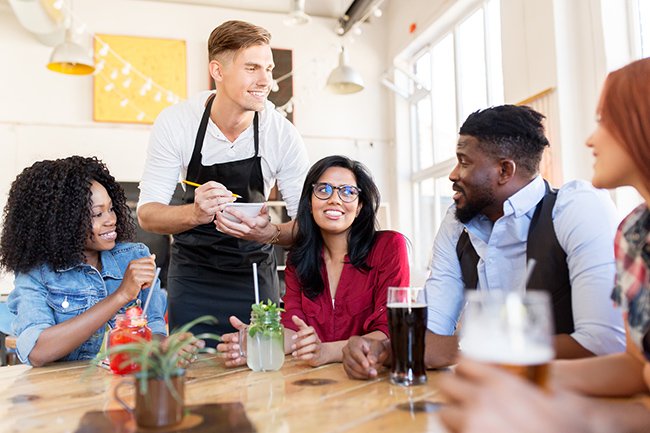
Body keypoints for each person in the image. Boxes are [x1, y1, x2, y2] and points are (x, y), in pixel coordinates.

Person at [437, 57, 650, 433]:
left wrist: (583, 419)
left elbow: (604, 344)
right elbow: (637, 366)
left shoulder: (577, 208)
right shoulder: (635, 232)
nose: (590, 138)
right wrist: (515, 378)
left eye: (605, 120)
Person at [342, 104, 626, 379]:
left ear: (504, 170)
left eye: (464, 162)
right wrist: (382, 350)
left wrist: (469, 346)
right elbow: (428, 337)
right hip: (491, 396)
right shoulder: (456, 223)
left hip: (573, 400)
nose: (453, 174)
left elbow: (603, 344)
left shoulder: (576, 207)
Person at [137, 20, 309, 336]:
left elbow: (306, 227)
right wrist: (194, 213)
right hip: (192, 278)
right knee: (192, 372)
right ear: (217, 71)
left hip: (254, 276)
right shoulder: (177, 123)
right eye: (253, 68)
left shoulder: (282, 135)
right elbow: (147, 215)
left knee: (257, 371)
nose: (266, 81)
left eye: (269, 69)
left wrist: (268, 232)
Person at [217, 156, 410, 366]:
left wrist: (328, 351)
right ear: (309, 203)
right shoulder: (299, 261)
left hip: (370, 378)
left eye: (347, 192)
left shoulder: (389, 247)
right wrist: (258, 342)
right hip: (312, 382)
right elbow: (293, 329)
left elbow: (390, 330)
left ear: (360, 206)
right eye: (324, 189)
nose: (335, 199)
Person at [1, 156, 169, 366]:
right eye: (97, 214)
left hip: (122, 387)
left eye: (111, 208)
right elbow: (37, 350)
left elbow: (154, 328)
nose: (111, 220)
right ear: (62, 223)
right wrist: (121, 295)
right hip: (65, 392)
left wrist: (166, 348)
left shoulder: (134, 257)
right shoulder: (37, 273)